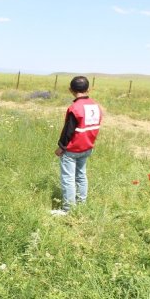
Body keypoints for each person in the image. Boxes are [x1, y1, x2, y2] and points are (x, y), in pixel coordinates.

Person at [52, 76, 102, 215]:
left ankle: (69, 210)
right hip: (87, 147)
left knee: (68, 178)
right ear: (89, 89)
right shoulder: (96, 106)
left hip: (72, 149)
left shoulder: (75, 108)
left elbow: (68, 131)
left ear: (70, 90)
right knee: (81, 175)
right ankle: (82, 204)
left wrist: (61, 147)